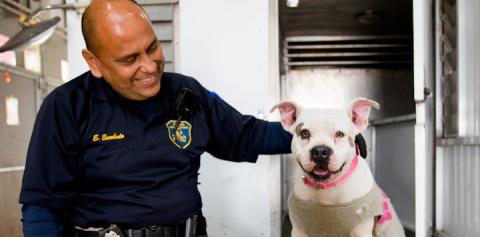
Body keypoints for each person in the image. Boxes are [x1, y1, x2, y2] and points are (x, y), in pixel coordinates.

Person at [19, 0, 367, 236]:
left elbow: (245, 135)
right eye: (129, 59)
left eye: (152, 48)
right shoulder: (66, 107)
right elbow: (41, 208)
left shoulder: (185, 94)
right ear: (93, 62)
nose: (149, 66)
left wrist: (329, 138)